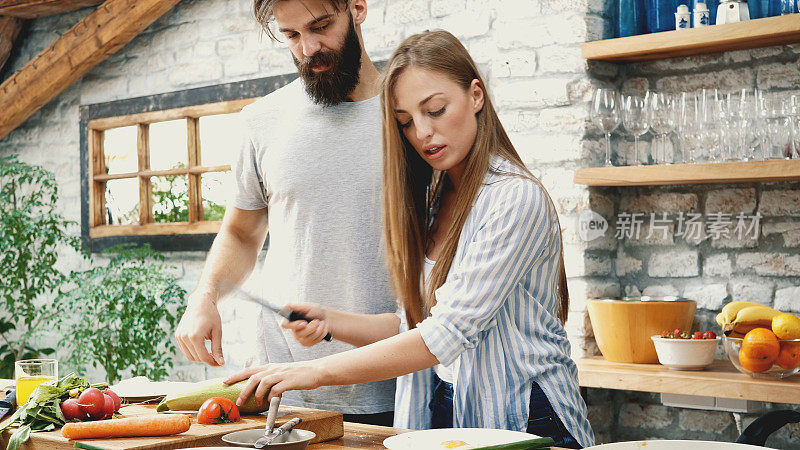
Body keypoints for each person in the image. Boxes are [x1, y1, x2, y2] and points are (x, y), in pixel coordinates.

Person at [224, 30, 595, 448]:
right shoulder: (438, 200)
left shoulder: (514, 198)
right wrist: (334, 323)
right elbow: (415, 325)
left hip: (531, 417)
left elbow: (446, 334)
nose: (422, 133)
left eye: (435, 110)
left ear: (476, 96)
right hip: (453, 412)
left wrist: (313, 373)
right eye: (405, 122)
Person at [173, 0, 397, 426]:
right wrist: (204, 298)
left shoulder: (412, 118)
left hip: (394, 385)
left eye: (321, 26)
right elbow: (240, 233)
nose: (308, 48)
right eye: (291, 35)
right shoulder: (261, 121)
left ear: (358, 7)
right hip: (281, 388)